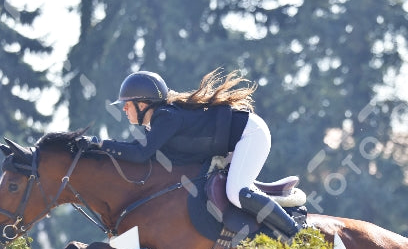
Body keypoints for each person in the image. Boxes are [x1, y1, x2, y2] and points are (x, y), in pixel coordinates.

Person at [93, 68, 298, 237]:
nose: (124, 109)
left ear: (142, 104)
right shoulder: (158, 123)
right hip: (236, 140)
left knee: (236, 193)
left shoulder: (166, 117)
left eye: (127, 104)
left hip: (250, 134)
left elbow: (140, 153)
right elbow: (137, 152)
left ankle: (296, 233)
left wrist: (100, 144)